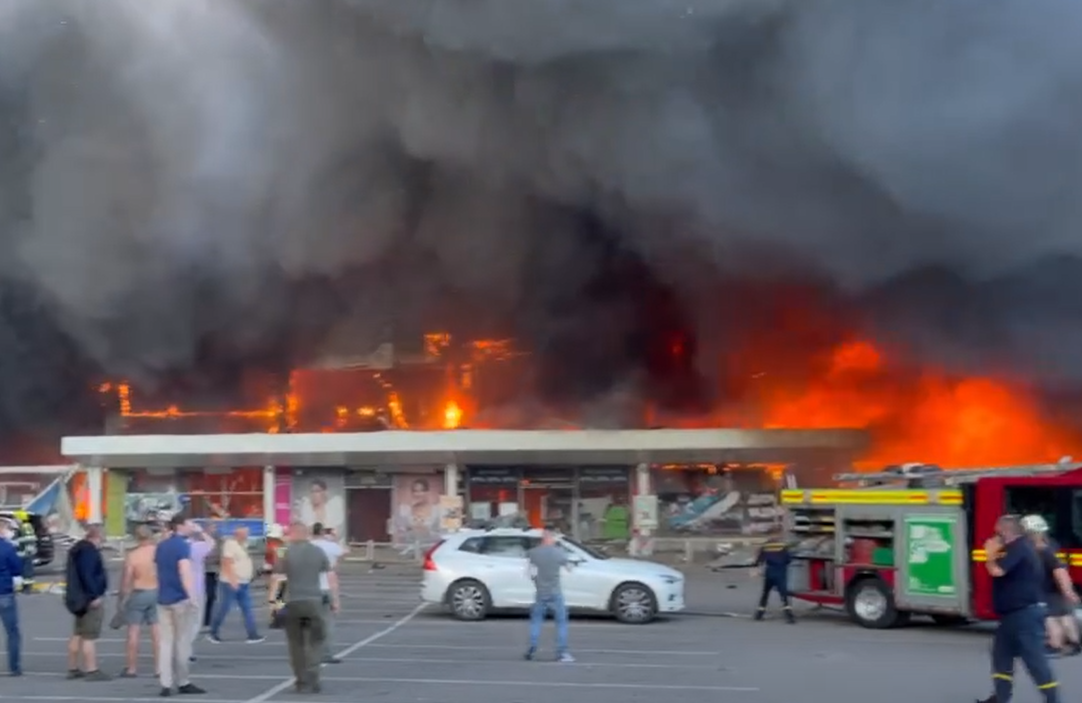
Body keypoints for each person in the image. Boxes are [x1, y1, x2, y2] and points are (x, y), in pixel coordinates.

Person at [976, 515, 1061, 703]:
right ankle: (1001, 697)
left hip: (1024, 615)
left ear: (1005, 531)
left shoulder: (1019, 548)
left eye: (997, 531)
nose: (994, 536)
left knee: (1034, 661)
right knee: (1001, 656)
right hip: (1011, 616)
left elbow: (997, 571)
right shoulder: (1015, 549)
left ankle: (1054, 700)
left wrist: (989, 554)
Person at [269, 522, 331, 694]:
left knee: (296, 644)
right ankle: (314, 678)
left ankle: (301, 681)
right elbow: (327, 573)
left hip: (293, 602)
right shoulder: (318, 551)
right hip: (314, 602)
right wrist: (333, 600)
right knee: (315, 642)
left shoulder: (284, 551)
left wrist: (276, 604)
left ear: (292, 533)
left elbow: (278, 578)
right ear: (306, 533)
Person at [154, 515, 205, 697]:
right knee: (182, 642)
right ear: (180, 526)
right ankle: (183, 681)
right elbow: (185, 571)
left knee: (166, 643)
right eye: (189, 523)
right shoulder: (182, 546)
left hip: (163, 598)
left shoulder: (161, 546)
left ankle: (165, 683)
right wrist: (192, 597)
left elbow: (158, 571)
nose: (192, 525)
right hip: (180, 599)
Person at [1021, 515, 1081, 656]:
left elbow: (1059, 571)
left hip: (1049, 589)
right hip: (1057, 589)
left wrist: (1067, 590)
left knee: (1049, 618)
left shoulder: (1042, 551)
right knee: (1065, 615)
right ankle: (1074, 643)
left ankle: (1055, 645)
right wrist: (1068, 590)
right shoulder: (1052, 544)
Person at [65, 523, 110, 681]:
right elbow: (88, 575)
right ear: (97, 536)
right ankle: (92, 669)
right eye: (103, 535)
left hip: (77, 598)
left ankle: (73, 667)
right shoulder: (89, 552)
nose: (105, 538)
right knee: (89, 635)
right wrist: (94, 595)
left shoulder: (78, 549)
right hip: (88, 599)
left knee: (78, 633)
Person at [524, 526, 574, 663]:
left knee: (536, 621)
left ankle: (532, 648)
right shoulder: (559, 553)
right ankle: (562, 652)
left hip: (541, 592)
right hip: (555, 591)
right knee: (561, 622)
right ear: (551, 538)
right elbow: (570, 568)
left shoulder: (533, 553)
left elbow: (530, 573)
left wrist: (537, 582)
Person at [207, 526, 264, 643]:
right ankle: (213, 632)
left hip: (243, 582)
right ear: (238, 534)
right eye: (245, 533)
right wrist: (232, 580)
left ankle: (252, 634)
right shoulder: (230, 544)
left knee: (247, 608)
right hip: (230, 582)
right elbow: (226, 563)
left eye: (247, 533)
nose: (247, 535)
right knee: (224, 608)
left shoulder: (244, 545)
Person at [119, 525, 160, 678]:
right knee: (157, 631)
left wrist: (122, 599)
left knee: (133, 631)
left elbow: (126, 580)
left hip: (139, 591)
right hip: (156, 591)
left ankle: (131, 668)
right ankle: (159, 668)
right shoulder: (158, 552)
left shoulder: (133, 555)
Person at [311, 523, 343, 664]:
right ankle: (326, 653)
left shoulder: (307, 546)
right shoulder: (330, 547)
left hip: (308, 589)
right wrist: (334, 538)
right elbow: (344, 552)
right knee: (327, 622)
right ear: (323, 532)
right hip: (325, 588)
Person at [185, 524, 214, 661]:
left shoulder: (180, 545)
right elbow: (211, 543)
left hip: (180, 587)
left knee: (182, 621)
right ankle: (186, 649)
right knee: (194, 621)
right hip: (196, 587)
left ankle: (182, 648)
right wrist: (201, 531)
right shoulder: (197, 547)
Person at [0, 519, 24, 676]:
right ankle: (14, 666)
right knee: (12, 632)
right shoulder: (7, 548)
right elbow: (17, 568)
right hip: (5, 592)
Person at [752, 538, 795, 624]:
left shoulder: (766, 547)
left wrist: (755, 564)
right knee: (783, 595)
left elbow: (759, 560)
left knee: (765, 593)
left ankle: (759, 614)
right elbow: (789, 560)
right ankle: (789, 616)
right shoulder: (783, 546)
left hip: (770, 572)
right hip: (780, 572)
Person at [202, 523, 220, 632]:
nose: (213, 530)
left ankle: (208, 620)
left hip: (213, 570)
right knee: (209, 595)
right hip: (204, 571)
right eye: (211, 528)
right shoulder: (202, 540)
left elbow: (220, 554)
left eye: (214, 528)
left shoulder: (218, 539)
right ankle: (206, 620)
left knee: (212, 596)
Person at [13, 511, 35, 594]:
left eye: (16, 518)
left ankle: (27, 588)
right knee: (24, 570)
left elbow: (29, 538)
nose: (15, 520)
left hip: (25, 553)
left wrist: (16, 541)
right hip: (23, 552)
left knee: (27, 571)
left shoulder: (25, 526)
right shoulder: (22, 527)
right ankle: (25, 587)